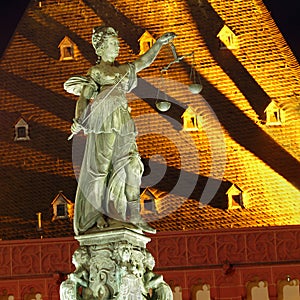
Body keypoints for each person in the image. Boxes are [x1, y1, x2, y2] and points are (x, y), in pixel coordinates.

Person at [64, 26, 175, 235]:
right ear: (101, 48)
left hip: (123, 119)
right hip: (103, 119)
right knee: (100, 169)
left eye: (116, 43)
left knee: (133, 166)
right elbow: (84, 98)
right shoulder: (96, 72)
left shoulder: (123, 70)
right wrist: (79, 120)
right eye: (113, 43)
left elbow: (143, 61)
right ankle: (95, 215)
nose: (117, 47)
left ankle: (134, 216)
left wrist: (159, 44)